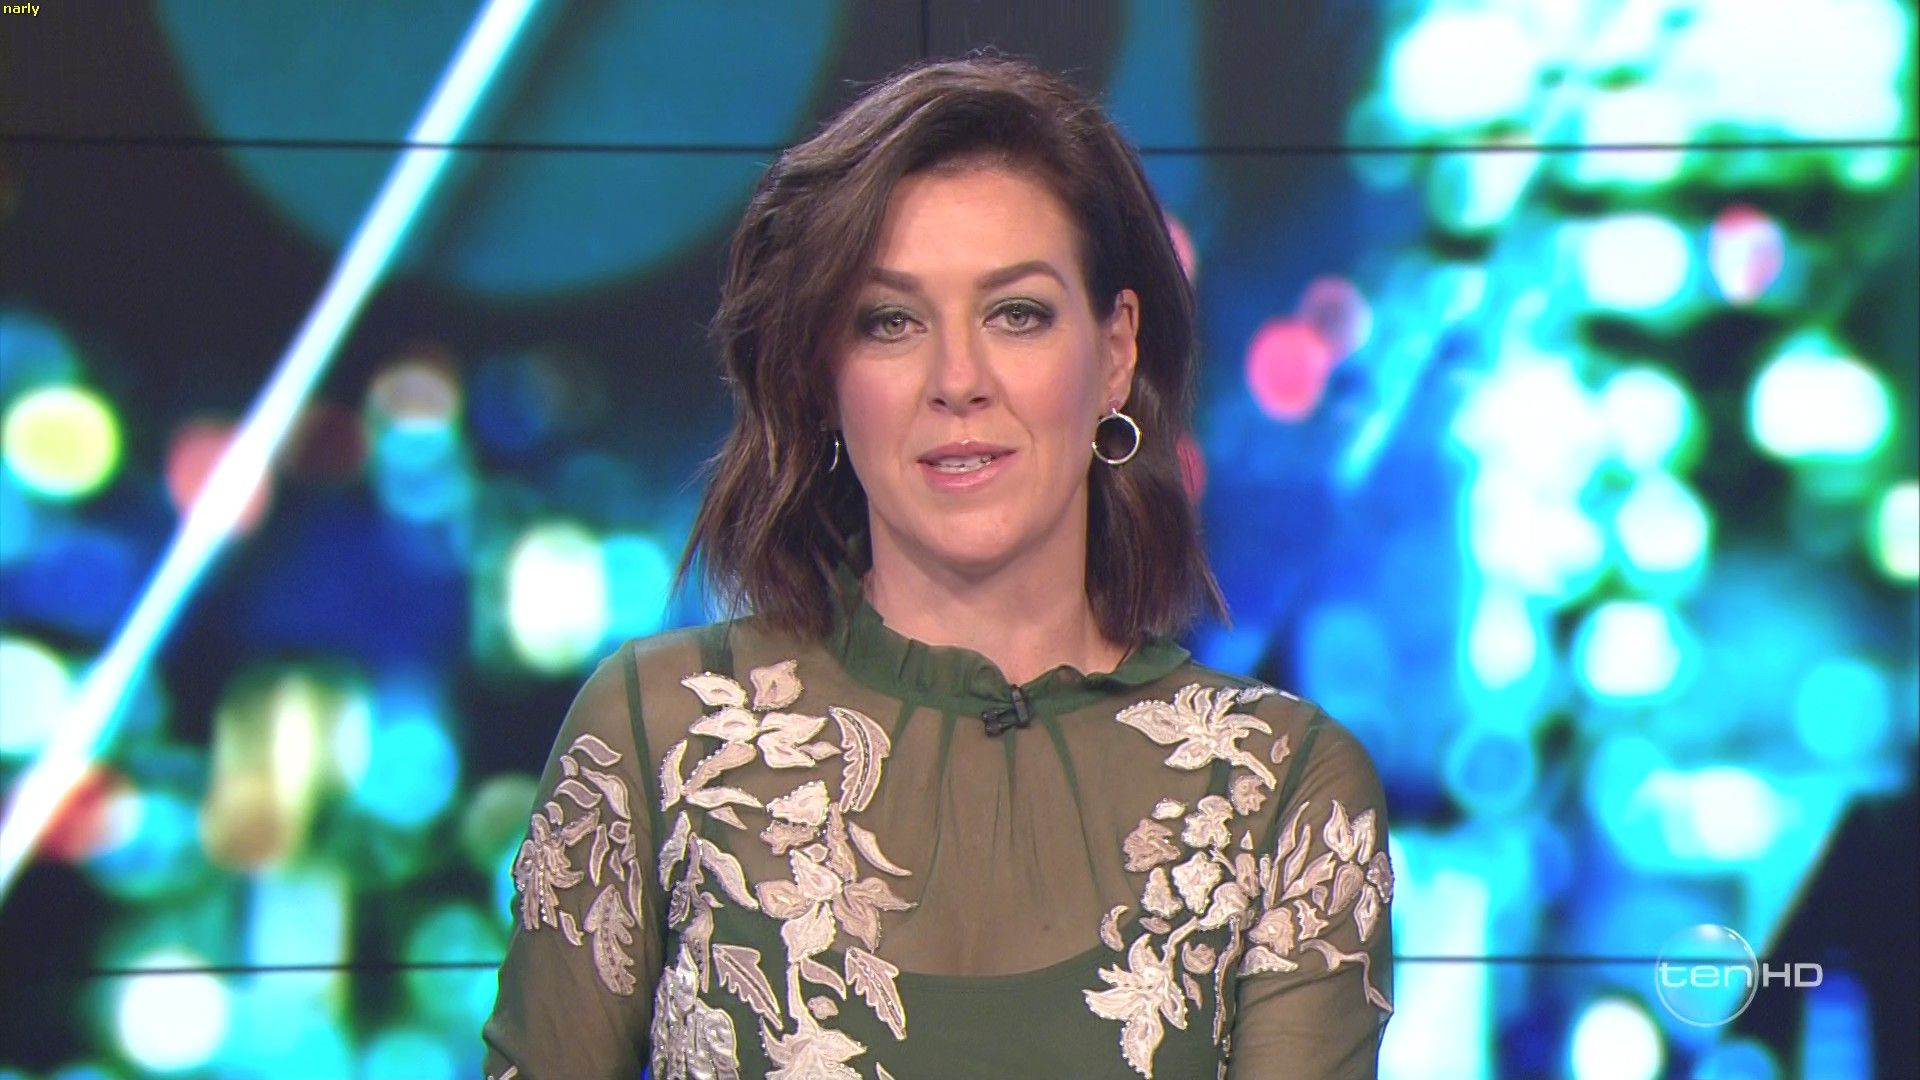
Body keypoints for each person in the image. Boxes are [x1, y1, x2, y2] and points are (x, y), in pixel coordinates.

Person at [483, 54, 1394, 1080]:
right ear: (823, 375)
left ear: (1115, 353)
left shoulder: (1284, 789)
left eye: (1017, 314)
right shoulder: (656, 734)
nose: (958, 379)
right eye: (891, 322)